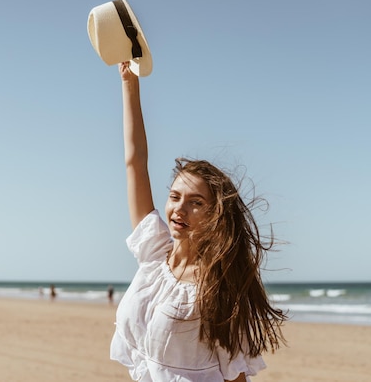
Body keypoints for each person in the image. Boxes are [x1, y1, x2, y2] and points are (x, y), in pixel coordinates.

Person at [109, 62, 287, 382]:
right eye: (175, 197)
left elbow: (236, 376)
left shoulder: (217, 288)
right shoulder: (153, 253)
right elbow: (135, 162)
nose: (180, 209)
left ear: (215, 215)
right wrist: (129, 82)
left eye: (196, 203)